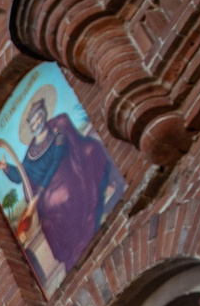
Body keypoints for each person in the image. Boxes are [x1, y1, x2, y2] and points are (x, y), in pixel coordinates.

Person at [9, 85, 121, 277]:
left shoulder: (57, 131)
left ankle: (87, 225)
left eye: (38, 119)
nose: (36, 124)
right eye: (33, 123)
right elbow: (21, 175)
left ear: (43, 116)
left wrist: (42, 189)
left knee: (62, 197)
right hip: (47, 188)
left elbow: (58, 157)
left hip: (67, 169)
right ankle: (72, 246)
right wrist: (5, 167)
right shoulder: (31, 152)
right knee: (50, 209)